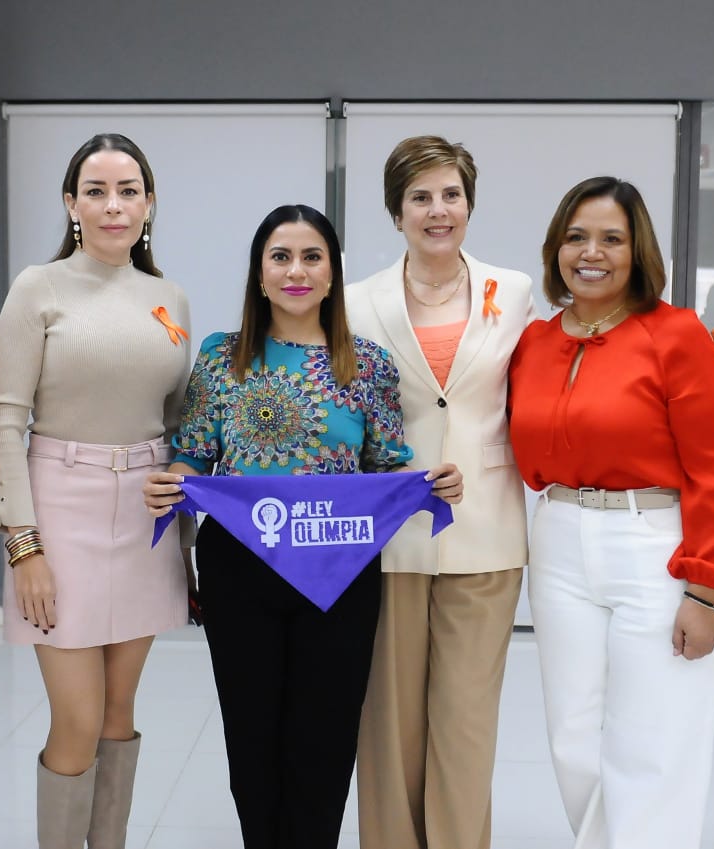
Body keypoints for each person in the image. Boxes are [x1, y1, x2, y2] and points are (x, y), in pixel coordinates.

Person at [142, 203, 463, 849]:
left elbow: (387, 464)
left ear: (332, 273)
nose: (296, 270)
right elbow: (195, 452)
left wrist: (432, 481)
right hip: (240, 567)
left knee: (326, 737)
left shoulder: (367, 363)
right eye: (281, 257)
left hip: (339, 570)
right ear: (259, 274)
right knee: (251, 735)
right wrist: (170, 480)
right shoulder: (222, 356)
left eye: (312, 257)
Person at [508, 176, 714, 849]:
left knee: (654, 741)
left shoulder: (675, 335)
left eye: (611, 239)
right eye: (576, 237)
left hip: (656, 544)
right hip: (558, 538)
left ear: (637, 250)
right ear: (556, 249)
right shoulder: (535, 343)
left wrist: (707, 589)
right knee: (573, 739)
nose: (591, 253)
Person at [0, 133, 193, 849]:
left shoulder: (169, 298)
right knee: (76, 721)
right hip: (59, 511)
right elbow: (6, 422)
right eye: (97, 191)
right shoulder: (37, 287)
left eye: (128, 190)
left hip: (144, 516)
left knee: (117, 715)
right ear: (71, 203)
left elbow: (177, 426)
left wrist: (185, 545)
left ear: (149, 203)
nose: (114, 205)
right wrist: (24, 545)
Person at [345, 134, 534, 849]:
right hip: (387, 537)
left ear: (469, 204)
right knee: (389, 727)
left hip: (485, 532)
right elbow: (345, 414)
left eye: (451, 194)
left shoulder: (512, 290)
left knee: (465, 725)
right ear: (397, 212)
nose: (437, 210)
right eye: (420, 197)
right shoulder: (356, 301)